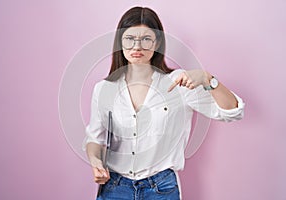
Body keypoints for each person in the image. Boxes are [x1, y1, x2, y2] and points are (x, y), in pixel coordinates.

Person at [82, 6, 244, 200]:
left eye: (146, 39)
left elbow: (232, 111)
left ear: (157, 43)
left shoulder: (179, 83)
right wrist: (95, 161)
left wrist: (207, 78)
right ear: (120, 42)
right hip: (115, 188)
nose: (137, 47)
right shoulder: (104, 88)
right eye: (130, 39)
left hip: (161, 189)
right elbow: (94, 138)